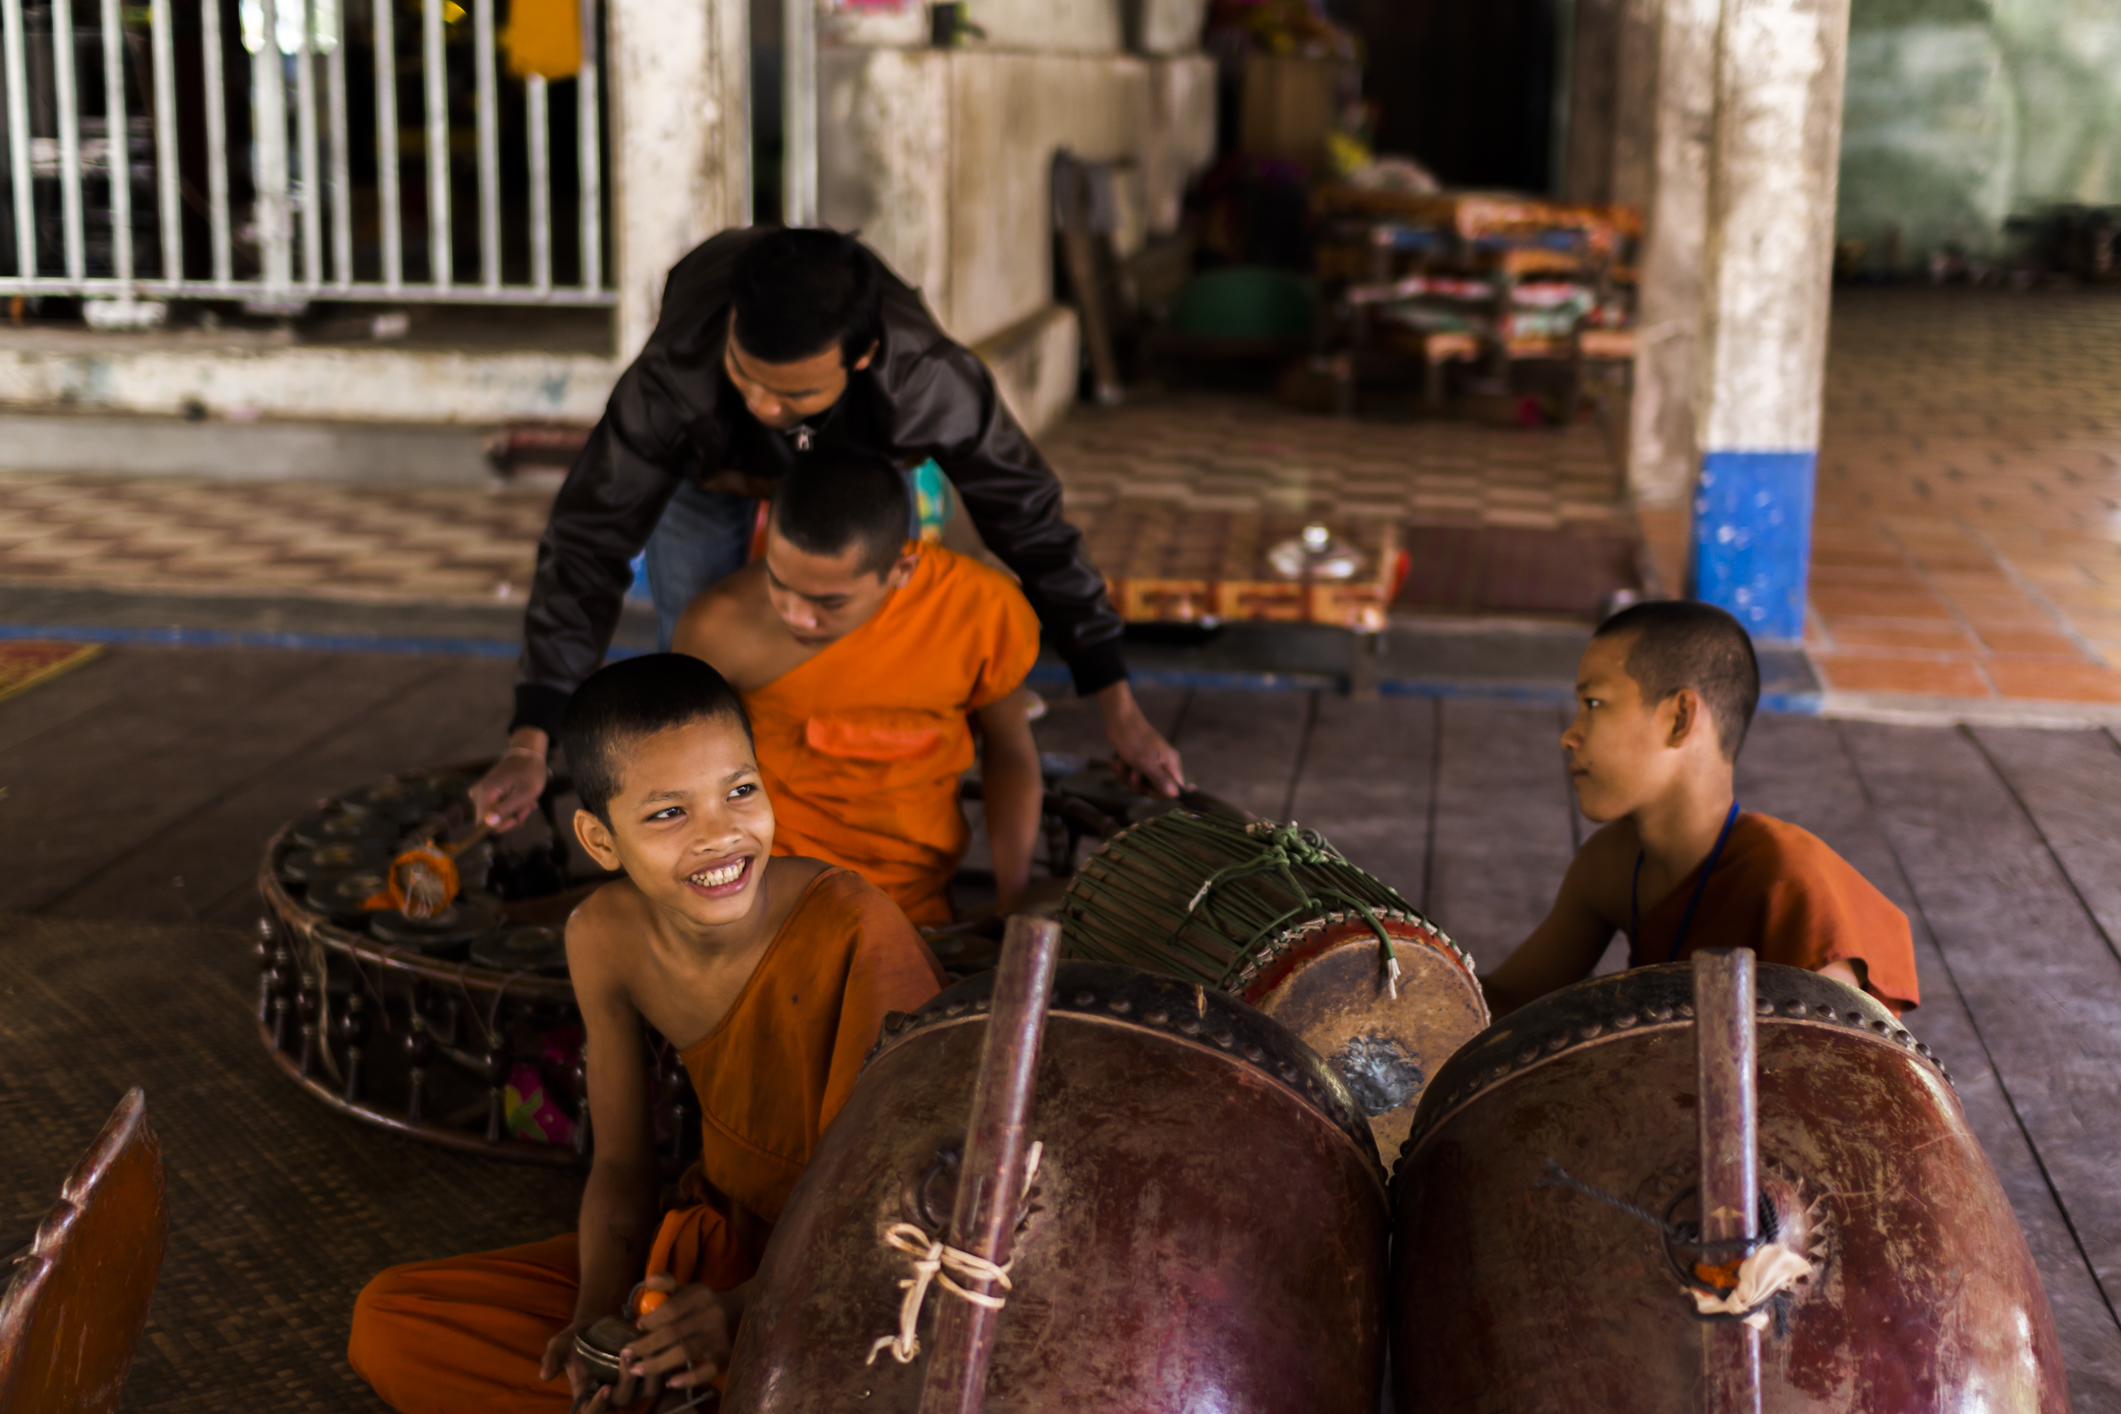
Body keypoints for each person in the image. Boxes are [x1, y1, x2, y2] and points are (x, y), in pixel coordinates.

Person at [348, 655, 946, 1413]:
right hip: (718, 1251)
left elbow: (914, 1209)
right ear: (600, 842)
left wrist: (743, 1315)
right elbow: (624, 1166)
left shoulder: (853, 926)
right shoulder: (602, 934)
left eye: (740, 792)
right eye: (668, 814)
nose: (720, 836)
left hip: (847, 1281)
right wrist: (592, 1328)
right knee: (394, 1320)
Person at [471, 226, 1183, 836]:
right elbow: (586, 542)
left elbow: (1032, 523)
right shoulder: (671, 385)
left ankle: (858, 812)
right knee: (699, 667)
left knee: (873, 646)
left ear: (864, 356)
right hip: (706, 472)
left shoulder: (927, 383)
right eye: (746, 377)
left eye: (793, 393)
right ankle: (722, 834)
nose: (762, 405)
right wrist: (532, 738)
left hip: (861, 465)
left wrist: (1115, 702)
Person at [1479, 600, 1920, 1020]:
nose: (1570, 736)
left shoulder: (1792, 887)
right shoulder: (1613, 866)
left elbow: (1828, 1082)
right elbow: (1505, 1000)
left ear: (1679, 718)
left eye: (1593, 704)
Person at [672, 446, 1041, 928]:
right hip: (764, 901)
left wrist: (1011, 903)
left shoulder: (981, 611)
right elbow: (678, 779)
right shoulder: (719, 628)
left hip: (914, 904)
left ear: (900, 574)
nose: (795, 615)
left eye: (830, 601)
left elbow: (1010, 751)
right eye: (779, 581)